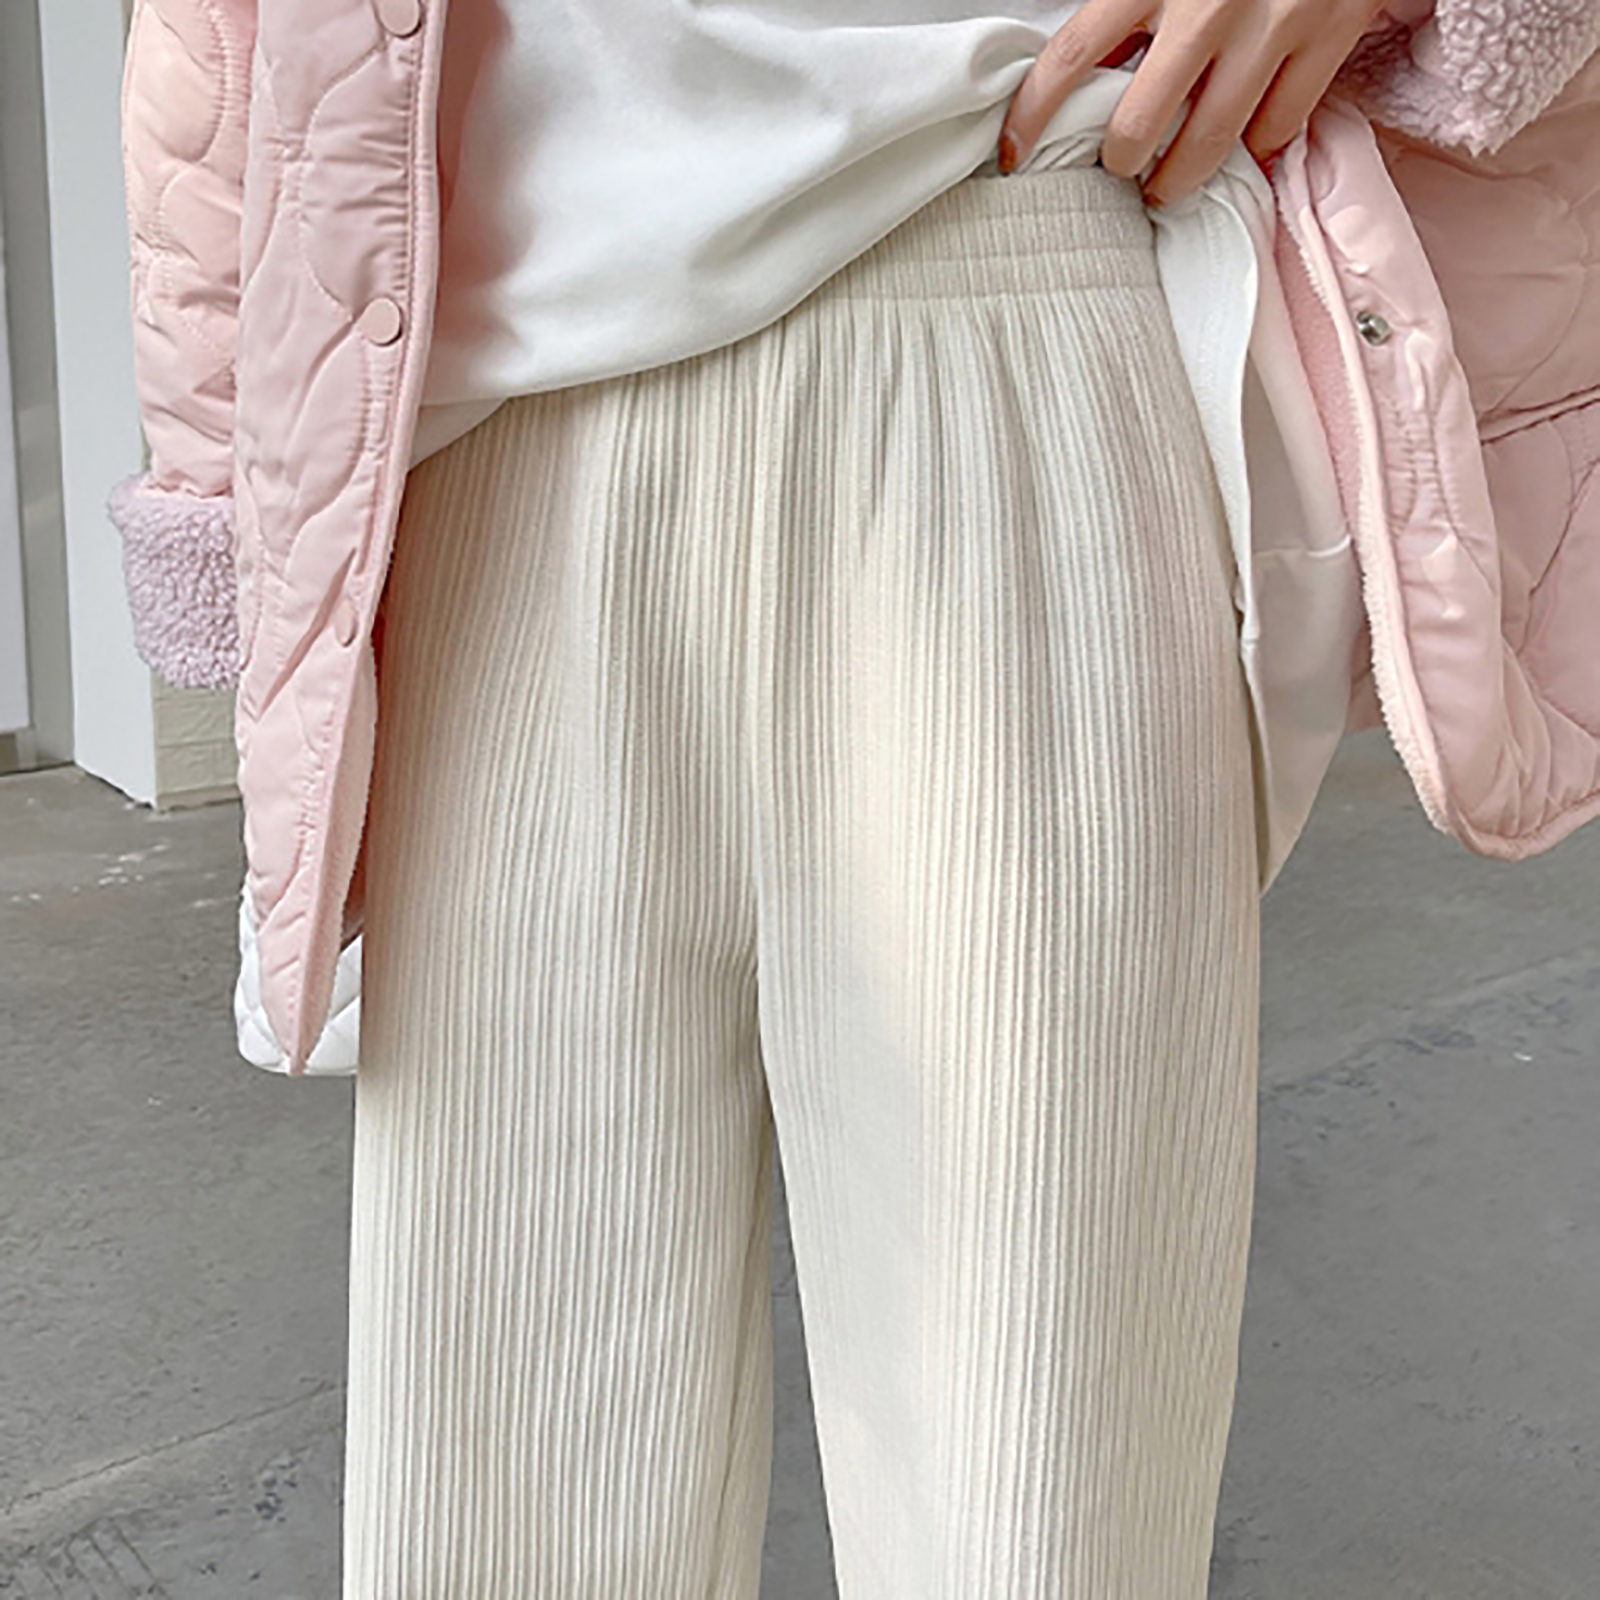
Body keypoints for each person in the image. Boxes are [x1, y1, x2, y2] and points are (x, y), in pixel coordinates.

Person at [108, 0, 1600, 1593]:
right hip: (505, 415)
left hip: (1026, 310)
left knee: (1039, 1467)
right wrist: (218, 481)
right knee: (508, 1474)